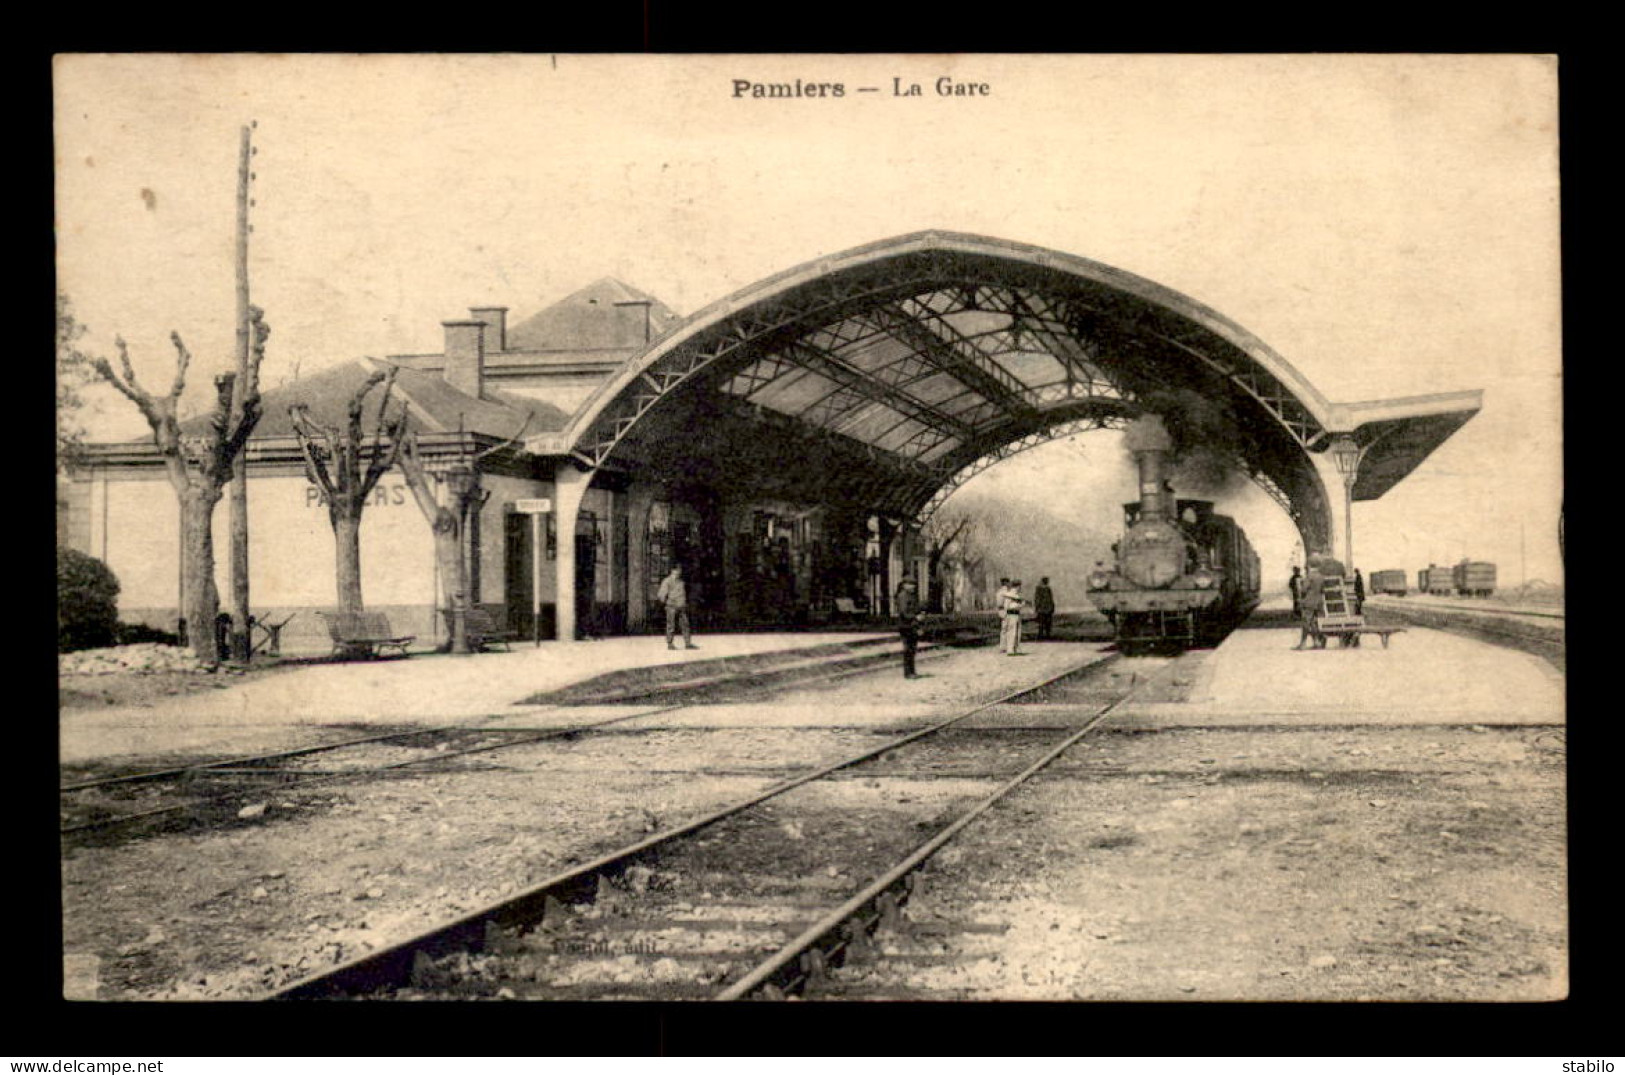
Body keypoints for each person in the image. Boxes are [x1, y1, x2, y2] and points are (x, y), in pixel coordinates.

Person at [657, 564, 697, 650]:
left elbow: (684, 593)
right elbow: (662, 594)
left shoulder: (681, 582)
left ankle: (688, 643)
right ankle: (670, 643)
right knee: (671, 625)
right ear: (672, 571)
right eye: (677, 570)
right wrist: (664, 603)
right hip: (671, 606)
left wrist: (685, 603)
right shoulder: (667, 581)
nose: (679, 572)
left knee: (685, 625)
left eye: (679, 570)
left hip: (681, 606)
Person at [895, 578, 924, 678]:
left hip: (913, 625)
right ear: (904, 585)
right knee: (908, 649)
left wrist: (920, 616)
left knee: (913, 649)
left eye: (914, 584)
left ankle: (912, 671)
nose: (913, 586)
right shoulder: (903, 596)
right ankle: (908, 673)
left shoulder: (912, 596)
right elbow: (904, 612)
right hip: (906, 625)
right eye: (910, 584)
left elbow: (915, 609)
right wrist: (915, 617)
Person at [1295, 561, 1325, 650]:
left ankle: (1303, 643)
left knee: (1306, 622)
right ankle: (1317, 642)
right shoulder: (1321, 576)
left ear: (1309, 566)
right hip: (1318, 602)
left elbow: (1304, 590)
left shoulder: (1309, 576)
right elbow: (1323, 590)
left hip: (1309, 602)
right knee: (1313, 623)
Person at [1002, 578, 1029, 655]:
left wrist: (1021, 605)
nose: (1020, 588)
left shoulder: (1017, 595)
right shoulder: (1009, 594)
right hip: (1011, 615)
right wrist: (1019, 605)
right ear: (1016, 586)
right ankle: (1010, 650)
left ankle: (1015, 649)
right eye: (1019, 586)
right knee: (1012, 632)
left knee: (1017, 633)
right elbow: (1007, 606)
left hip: (1017, 614)